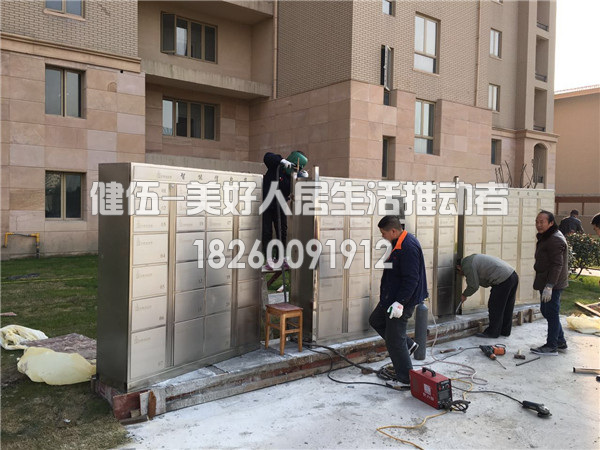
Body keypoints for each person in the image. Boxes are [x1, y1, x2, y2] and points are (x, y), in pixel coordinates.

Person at [369, 216, 428, 384]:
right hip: (390, 298)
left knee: (395, 339)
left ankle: (405, 378)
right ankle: (408, 344)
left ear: (393, 231)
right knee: (376, 320)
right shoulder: (398, 242)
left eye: (383, 233)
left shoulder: (408, 247)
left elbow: (411, 279)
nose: (382, 236)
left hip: (402, 301)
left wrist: (400, 302)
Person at [531, 210, 569, 356]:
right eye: (537, 221)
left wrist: (550, 286)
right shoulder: (548, 236)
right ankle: (560, 341)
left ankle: (551, 346)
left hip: (553, 284)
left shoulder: (554, 239)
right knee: (547, 311)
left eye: (542, 222)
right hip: (547, 280)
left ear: (551, 223)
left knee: (551, 313)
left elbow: (557, 264)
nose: (538, 224)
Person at [261, 150, 308, 269]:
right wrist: (281, 160)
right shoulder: (275, 166)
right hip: (268, 202)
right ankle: (269, 260)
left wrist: (301, 179)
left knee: (282, 231)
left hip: (281, 203)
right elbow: (267, 156)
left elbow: (293, 191)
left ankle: (280, 257)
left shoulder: (290, 177)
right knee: (267, 232)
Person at [456, 254, 519, 338]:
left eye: (459, 273)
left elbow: (473, 286)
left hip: (503, 279)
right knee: (507, 306)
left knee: (495, 306)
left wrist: (464, 295)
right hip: (513, 276)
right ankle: (505, 331)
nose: (462, 275)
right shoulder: (471, 259)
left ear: (458, 267)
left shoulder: (467, 265)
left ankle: (492, 332)